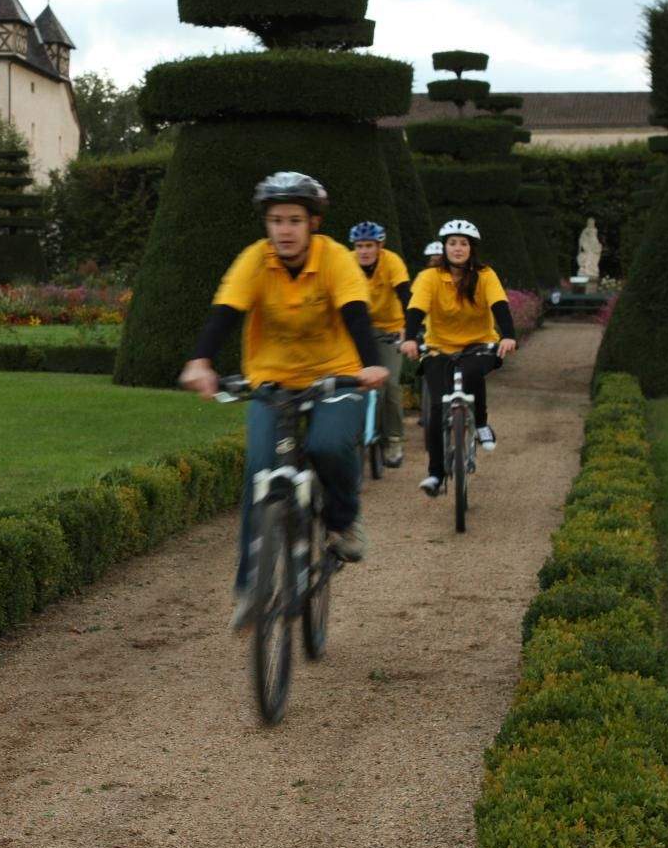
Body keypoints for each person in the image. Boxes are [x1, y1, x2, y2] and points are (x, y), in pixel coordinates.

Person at [179, 171, 388, 629]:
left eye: (295, 219)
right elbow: (225, 312)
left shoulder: (335, 258)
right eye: (276, 220)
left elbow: (356, 312)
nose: (285, 230)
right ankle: (250, 588)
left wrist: (370, 365)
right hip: (273, 381)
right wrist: (201, 361)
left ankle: (342, 520)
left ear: (313, 222)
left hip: (338, 376)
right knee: (259, 470)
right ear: (267, 224)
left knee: (329, 447)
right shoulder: (254, 260)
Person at [400, 219, 517, 496]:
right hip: (439, 348)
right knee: (438, 410)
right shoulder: (429, 277)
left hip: (478, 344)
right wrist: (409, 338)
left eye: (463, 243)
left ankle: (481, 422)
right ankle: (435, 475)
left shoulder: (486, 274)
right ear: (444, 247)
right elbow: (416, 308)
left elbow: (499, 305)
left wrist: (509, 335)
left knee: (472, 370)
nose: (458, 248)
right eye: (452, 243)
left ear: (471, 249)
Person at [348, 219, 410, 468]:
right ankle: (350, 436)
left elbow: (405, 294)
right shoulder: (347, 263)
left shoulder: (392, 262)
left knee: (390, 384)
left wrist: (411, 330)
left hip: (389, 330)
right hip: (357, 330)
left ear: (379, 246)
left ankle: (393, 438)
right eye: (359, 246)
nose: (363, 251)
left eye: (369, 246)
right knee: (347, 384)